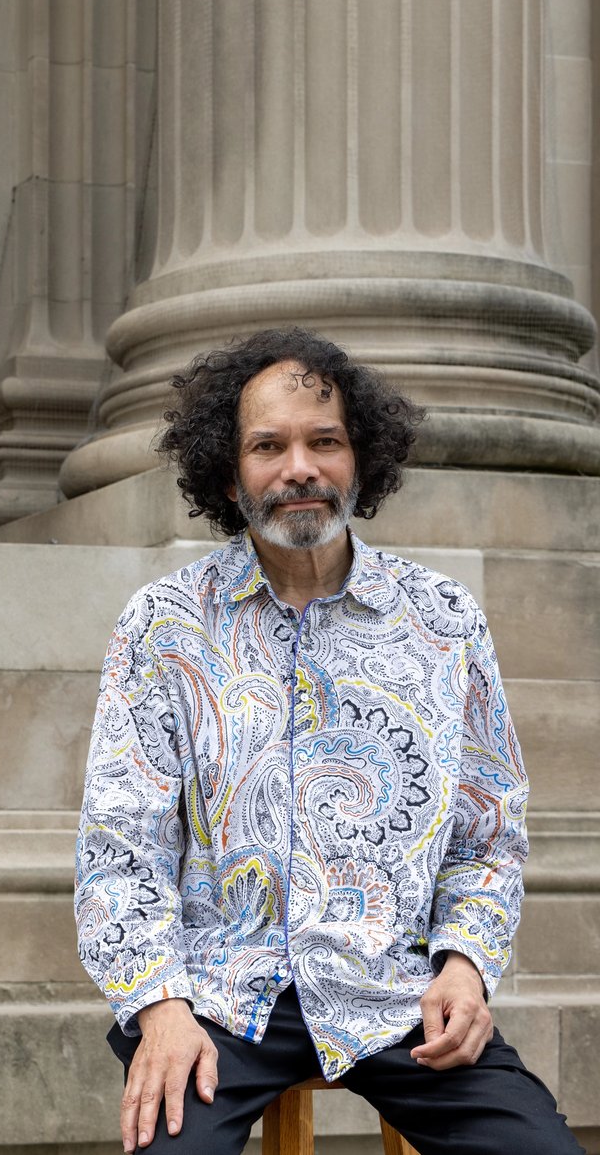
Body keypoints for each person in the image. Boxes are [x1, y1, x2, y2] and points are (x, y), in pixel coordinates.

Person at [75, 327, 581, 1155]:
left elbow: (488, 837)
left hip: (394, 993)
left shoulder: (443, 621)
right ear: (230, 474)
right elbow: (118, 849)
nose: (299, 468)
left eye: (325, 441)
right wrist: (159, 1008)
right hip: (221, 998)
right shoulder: (163, 626)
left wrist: (464, 967)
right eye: (268, 446)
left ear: (360, 459)